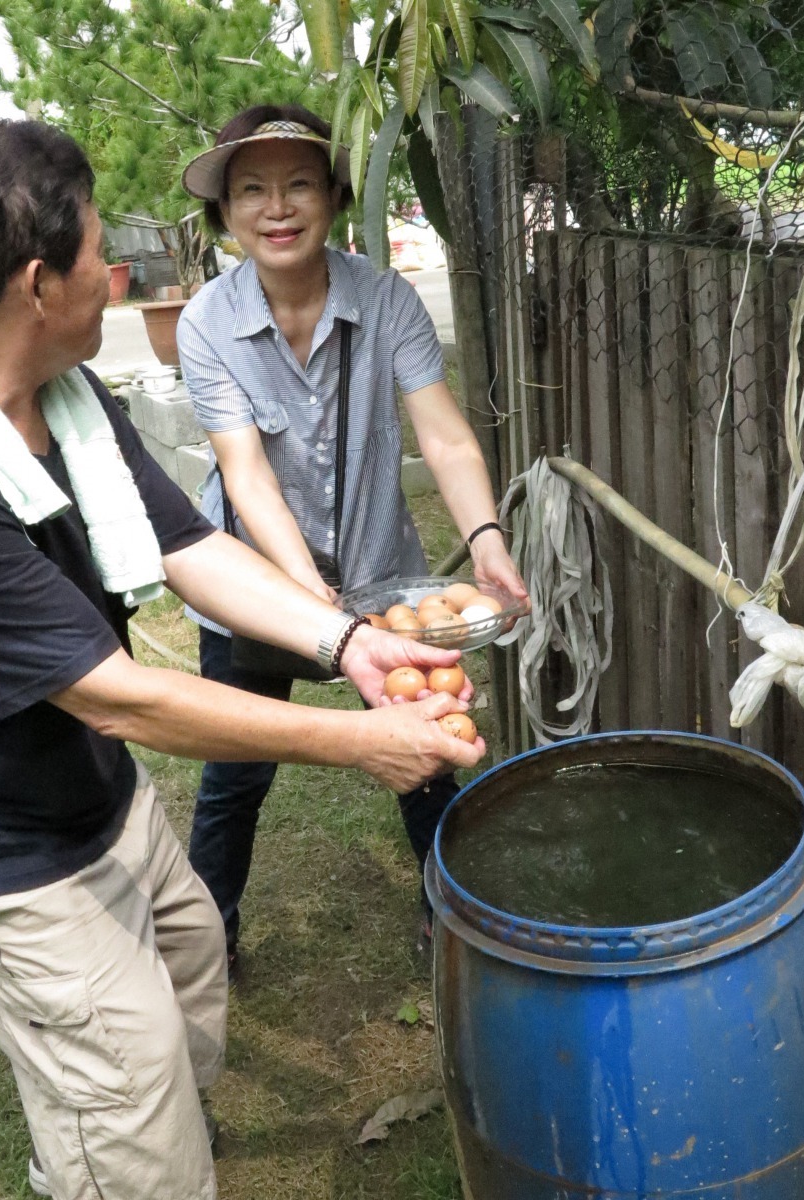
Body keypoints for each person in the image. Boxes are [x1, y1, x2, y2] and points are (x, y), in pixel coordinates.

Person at [0, 119, 489, 1200]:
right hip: (0, 844)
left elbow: (193, 543)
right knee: (125, 1094)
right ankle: (118, 1161)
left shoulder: (64, 396)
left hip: (93, 793)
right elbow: (123, 700)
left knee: (192, 956)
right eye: (98, 258)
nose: (112, 280)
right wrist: (363, 741)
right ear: (35, 284)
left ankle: (118, 1134)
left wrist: (350, 644)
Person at [177, 104, 529, 975]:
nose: (277, 207)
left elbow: (443, 436)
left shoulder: (386, 298)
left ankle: (453, 924)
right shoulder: (204, 324)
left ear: (332, 196)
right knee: (234, 777)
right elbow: (246, 475)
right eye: (251, 190)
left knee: (430, 754)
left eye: (298, 183)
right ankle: (207, 935)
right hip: (258, 591)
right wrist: (302, 597)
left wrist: (484, 537)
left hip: (379, 576)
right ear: (226, 213)